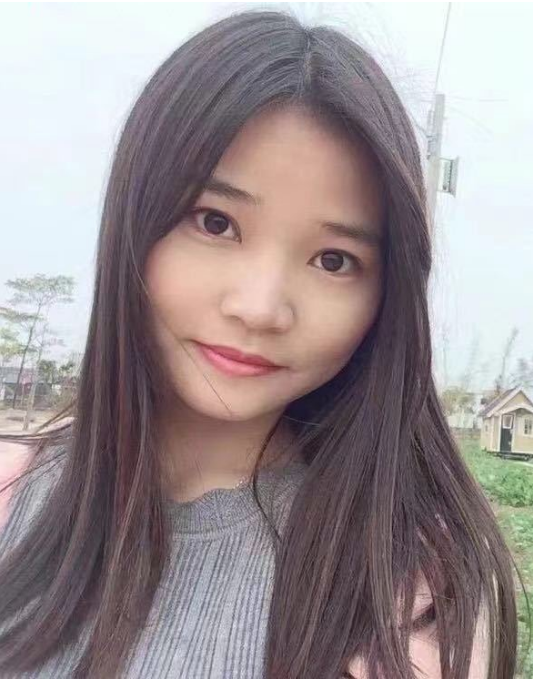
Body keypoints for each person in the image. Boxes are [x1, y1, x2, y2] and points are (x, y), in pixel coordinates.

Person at [0, 8, 518, 679]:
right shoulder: (13, 495)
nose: (260, 307)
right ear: (136, 219)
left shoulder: (408, 589)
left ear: (385, 299)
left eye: (333, 260)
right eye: (215, 222)